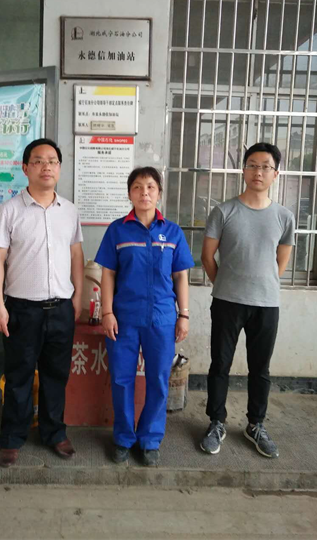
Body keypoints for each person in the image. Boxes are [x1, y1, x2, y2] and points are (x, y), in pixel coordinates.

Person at [0, 138, 84, 467]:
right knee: (19, 376)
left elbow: (76, 256)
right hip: (21, 309)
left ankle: (54, 433)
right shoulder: (9, 210)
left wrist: (78, 297)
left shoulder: (69, 211)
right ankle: (12, 437)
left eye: (52, 161)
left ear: (59, 168)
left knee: (57, 375)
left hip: (61, 308)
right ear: (25, 168)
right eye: (39, 161)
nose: (46, 167)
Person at [200, 142, 295, 458]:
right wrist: (226, 285)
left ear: (275, 174)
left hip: (266, 304)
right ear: (243, 170)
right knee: (220, 364)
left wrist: (261, 284)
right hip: (227, 301)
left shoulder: (284, 216)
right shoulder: (223, 211)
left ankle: (256, 424)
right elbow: (207, 257)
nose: (258, 171)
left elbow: (280, 263)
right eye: (252, 165)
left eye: (266, 166)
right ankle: (216, 422)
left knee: (260, 368)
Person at [95, 167, 194, 466]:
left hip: (162, 319)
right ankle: (124, 438)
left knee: (158, 380)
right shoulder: (117, 231)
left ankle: (150, 439)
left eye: (150, 187)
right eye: (137, 187)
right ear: (130, 193)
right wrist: (107, 311)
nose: (144, 192)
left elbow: (181, 276)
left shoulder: (173, 232)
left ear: (159, 193)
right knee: (122, 379)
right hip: (124, 318)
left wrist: (184, 315)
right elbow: (108, 274)